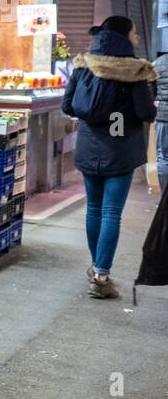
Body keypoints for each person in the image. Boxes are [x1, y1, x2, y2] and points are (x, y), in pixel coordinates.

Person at [62, 16, 157, 299]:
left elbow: (68, 105)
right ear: (123, 37)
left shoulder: (84, 65)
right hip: (121, 149)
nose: (137, 38)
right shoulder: (135, 71)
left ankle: (97, 268)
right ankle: (102, 276)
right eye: (135, 33)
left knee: (94, 209)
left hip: (90, 146)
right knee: (111, 212)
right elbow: (146, 113)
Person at [155, 45, 168, 185]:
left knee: (164, 157)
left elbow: (150, 90)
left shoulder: (159, 62)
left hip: (164, 117)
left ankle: (165, 198)